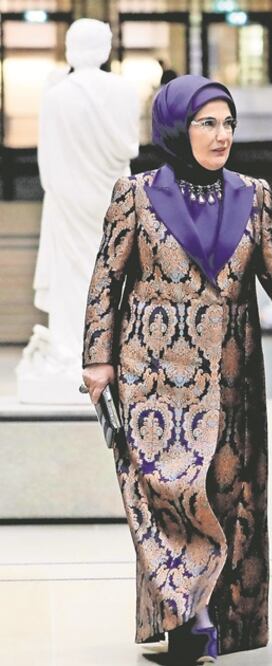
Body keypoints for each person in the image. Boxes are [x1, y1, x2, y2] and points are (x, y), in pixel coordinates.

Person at [81, 75, 272, 664]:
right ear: (175, 127)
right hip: (153, 374)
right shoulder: (134, 194)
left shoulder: (253, 193)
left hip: (232, 369)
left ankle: (214, 620)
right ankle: (189, 622)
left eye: (228, 123)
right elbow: (106, 280)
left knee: (223, 492)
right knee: (168, 494)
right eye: (207, 122)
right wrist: (97, 356)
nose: (222, 135)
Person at [25, 18, 138, 402]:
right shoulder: (124, 90)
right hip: (111, 194)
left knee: (73, 270)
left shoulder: (57, 95)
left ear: (71, 49)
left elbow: (47, 162)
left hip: (68, 196)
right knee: (109, 270)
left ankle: (71, 346)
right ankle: (104, 349)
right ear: (105, 49)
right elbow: (130, 149)